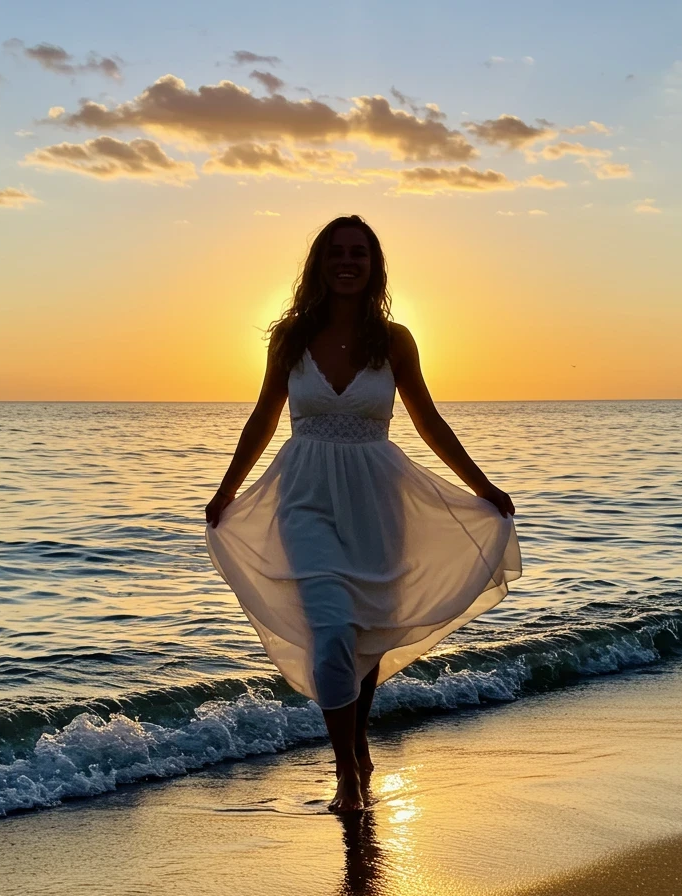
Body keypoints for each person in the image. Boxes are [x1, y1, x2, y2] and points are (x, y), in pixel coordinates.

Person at [204, 214, 522, 812]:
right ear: (319, 264)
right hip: (303, 495)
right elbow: (264, 415)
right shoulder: (291, 337)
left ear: (374, 266)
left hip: (379, 499)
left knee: (365, 634)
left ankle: (357, 745)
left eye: (359, 253)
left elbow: (428, 421)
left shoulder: (394, 340)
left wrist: (482, 486)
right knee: (331, 631)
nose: (347, 262)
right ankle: (347, 769)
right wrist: (227, 490)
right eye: (336, 253)